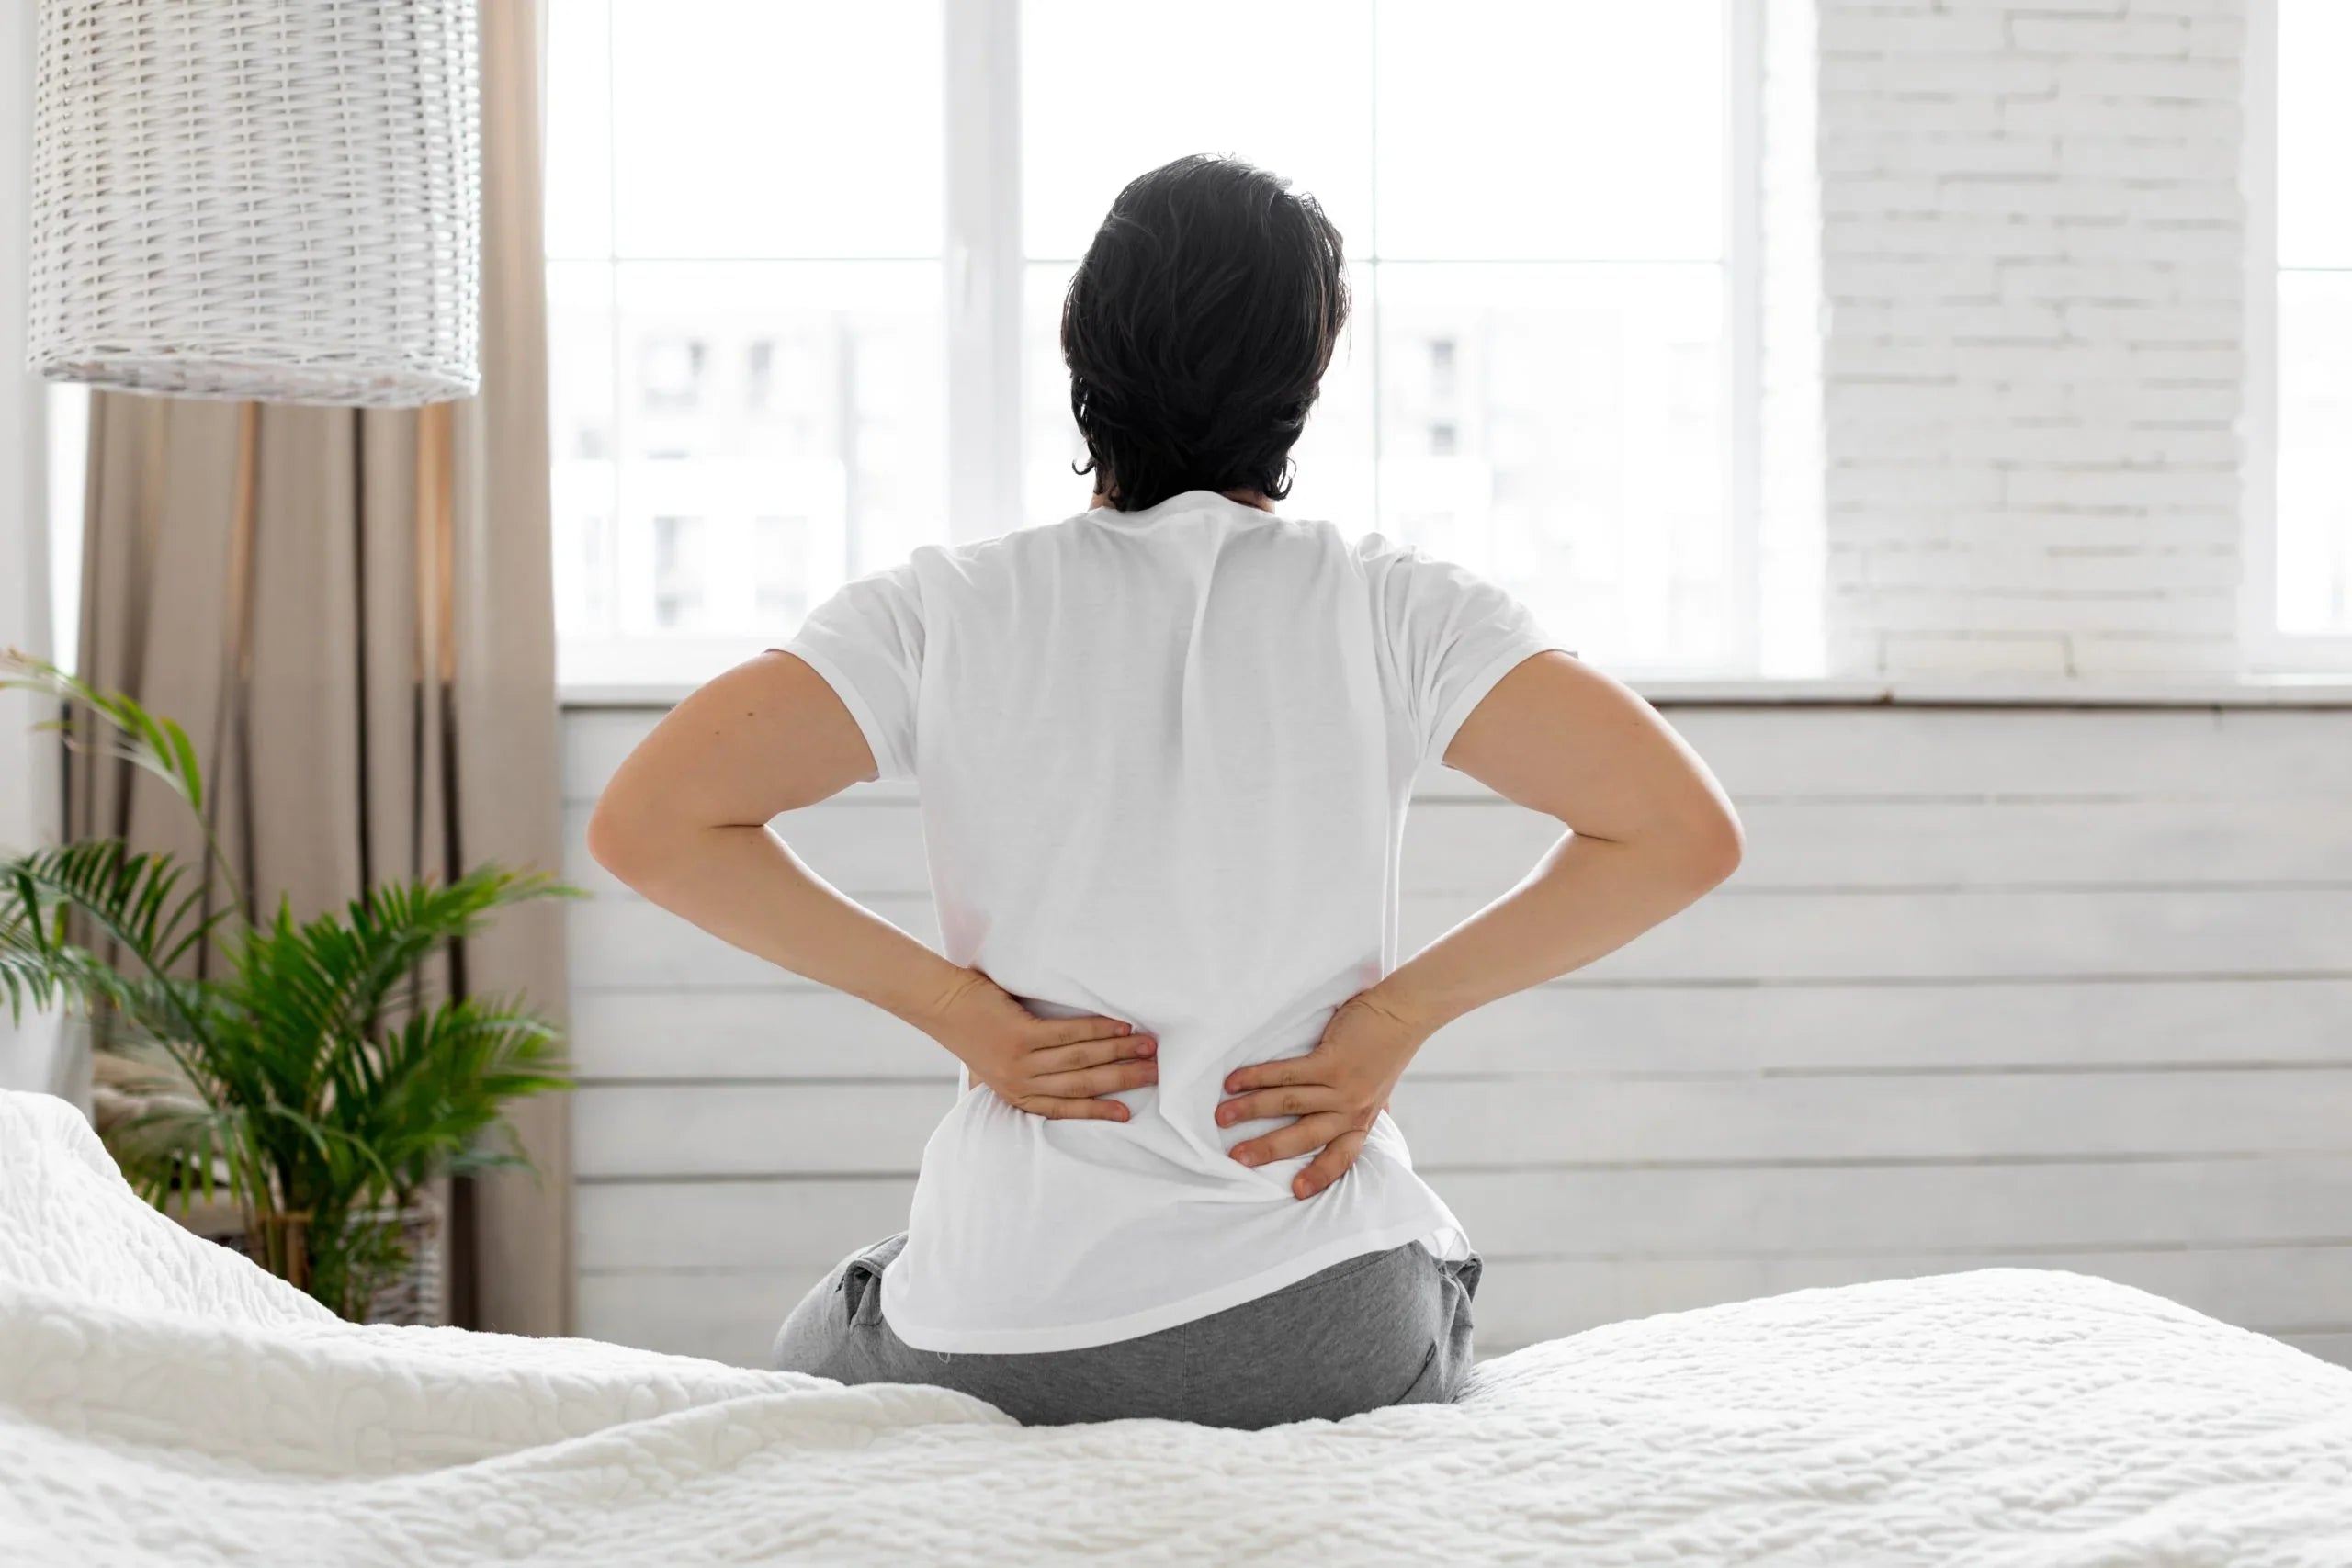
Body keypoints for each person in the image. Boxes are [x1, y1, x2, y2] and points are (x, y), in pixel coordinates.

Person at [586, 153, 1743, 1429]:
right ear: (1306, 375)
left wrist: (957, 1011)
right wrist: (1396, 1019)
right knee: (1432, 1270)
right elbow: (1678, 832)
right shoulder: (1395, 608)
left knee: (826, 1328)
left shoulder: (945, 610)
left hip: (1002, 1326)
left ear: (1082, 345)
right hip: (1325, 1321)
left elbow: (651, 822)